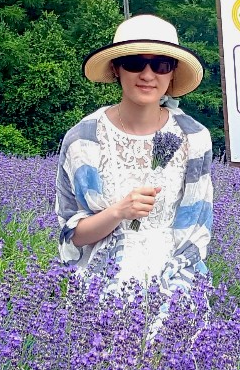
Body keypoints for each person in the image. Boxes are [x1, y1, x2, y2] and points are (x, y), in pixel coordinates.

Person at [54, 15, 214, 290]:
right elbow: (72, 236)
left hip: (174, 286)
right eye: (135, 63)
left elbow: (198, 229)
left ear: (173, 72)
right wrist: (118, 212)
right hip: (99, 291)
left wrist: (174, 293)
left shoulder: (194, 138)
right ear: (116, 69)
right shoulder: (83, 140)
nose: (148, 75)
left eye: (161, 65)